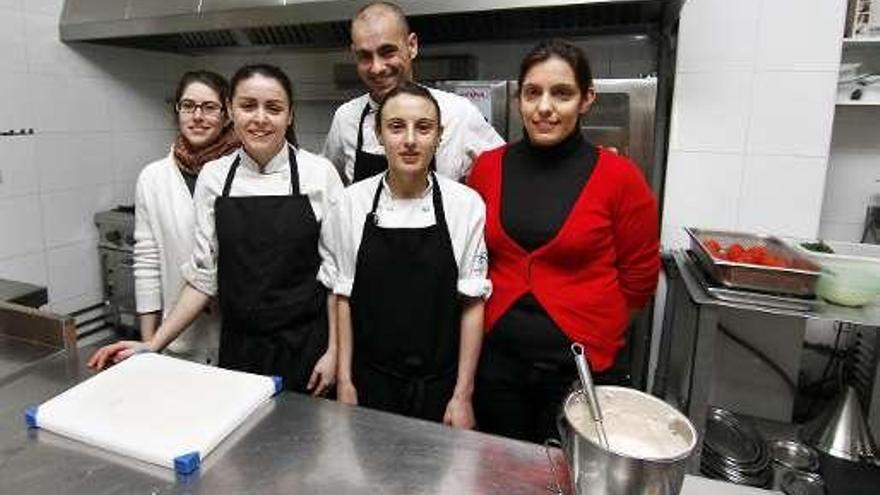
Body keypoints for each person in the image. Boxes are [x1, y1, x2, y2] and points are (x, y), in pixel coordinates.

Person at [89, 64, 344, 396]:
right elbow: (202, 278)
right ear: (231, 112)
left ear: (290, 115)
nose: (261, 118)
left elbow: (337, 277)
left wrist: (334, 353)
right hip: (239, 350)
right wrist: (152, 344)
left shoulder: (319, 174)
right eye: (248, 106)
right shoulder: (215, 177)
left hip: (308, 349)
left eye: (274, 108)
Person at [467, 40, 660, 443]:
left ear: (586, 99)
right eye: (533, 93)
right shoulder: (488, 169)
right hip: (497, 367)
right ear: (520, 97)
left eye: (562, 93)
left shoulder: (620, 178)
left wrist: (596, 329)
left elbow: (639, 277)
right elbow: (475, 260)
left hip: (580, 373)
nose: (544, 107)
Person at [328, 82, 491, 427]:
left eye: (424, 127)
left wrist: (462, 395)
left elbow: (473, 304)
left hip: (440, 387)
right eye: (397, 127)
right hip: (369, 382)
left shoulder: (466, 205)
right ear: (379, 135)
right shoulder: (350, 203)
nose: (411, 140)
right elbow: (344, 296)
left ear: (440, 136)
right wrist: (345, 382)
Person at [322, 1, 503, 184]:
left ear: (412, 46)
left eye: (388, 52)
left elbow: (505, 173)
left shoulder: (458, 112)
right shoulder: (345, 118)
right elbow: (329, 186)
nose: (377, 68)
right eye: (365, 56)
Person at [133, 70, 239, 365]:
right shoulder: (153, 178)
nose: (197, 116)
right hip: (178, 337)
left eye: (209, 107)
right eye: (188, 106)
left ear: (227, 114)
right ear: (177, 111)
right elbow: (147, 260)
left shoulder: (243, 172)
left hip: (237, 335)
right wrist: (148, 342)